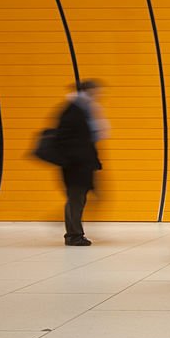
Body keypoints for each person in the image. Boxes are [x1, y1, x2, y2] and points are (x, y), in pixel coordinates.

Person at [58, 80, 105, 246]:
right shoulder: (75, 110)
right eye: (96, 90)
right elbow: (77, 139)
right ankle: (73, 235)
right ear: (88, 90)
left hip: (80, 164)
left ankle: (74, 233)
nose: (99, 93)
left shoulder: (80, 108)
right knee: (76, 199)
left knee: (78, 199)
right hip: (76, 165)